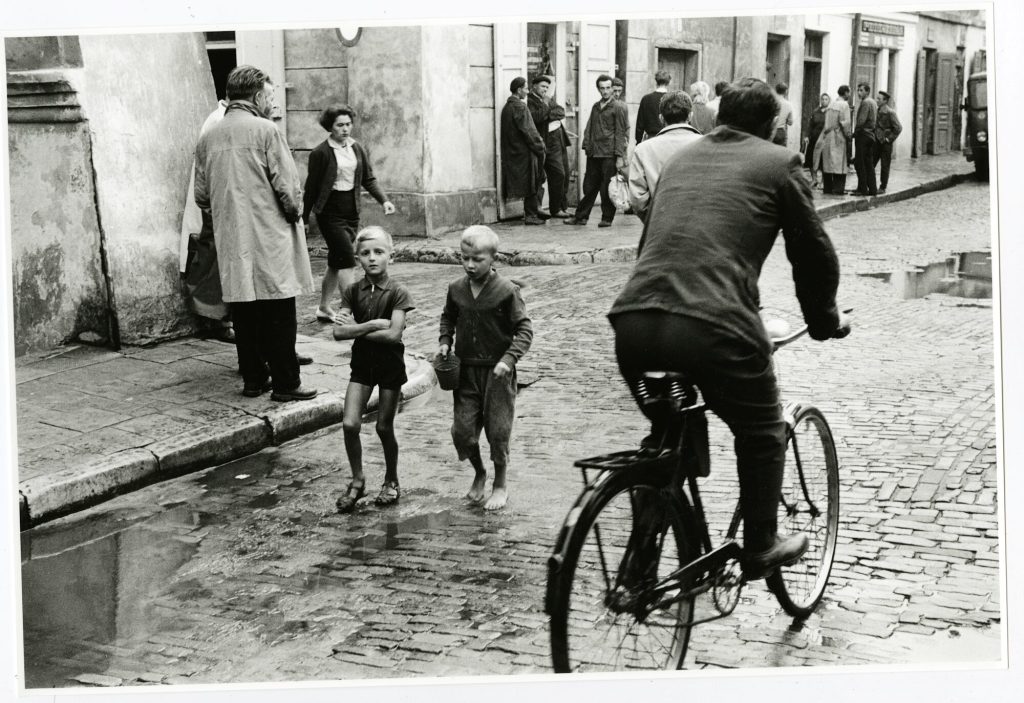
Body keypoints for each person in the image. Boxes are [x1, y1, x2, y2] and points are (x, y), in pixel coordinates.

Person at [608, 77, 849, 578]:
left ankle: (643, 558)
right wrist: (825, 320)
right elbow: (812, 252)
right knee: (762, 431)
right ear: (772, 125)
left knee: (669, 432)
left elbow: (655, 241)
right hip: (712, 326)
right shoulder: (779, 163)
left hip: (634, 321)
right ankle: (760, 544)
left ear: (716, 119)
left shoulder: (680, 159)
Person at [194, 65, 317, 402]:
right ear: (258, 96)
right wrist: (295, 215)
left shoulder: (209, 136)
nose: (272, 103)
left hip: (231, 237)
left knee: (244, 312)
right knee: (279, 312)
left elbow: (202, 196)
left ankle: (253, 380)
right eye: (271, 97)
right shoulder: (266, 131)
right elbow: (288, 189)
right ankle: (286, 383)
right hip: (270, 235)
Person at [439, 226, 533, 511]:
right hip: (465, 372)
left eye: (477, 259)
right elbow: (448, 318)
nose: (469, 265)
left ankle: (500, 484)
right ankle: (479, 471)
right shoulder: (456, 289)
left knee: (498, 431)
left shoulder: (507, 291)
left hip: (497, 374)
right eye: (464, 257)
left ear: (494, 258)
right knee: (463, 432)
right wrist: (445, 342)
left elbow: (524, 330)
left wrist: (509, 359)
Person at [332, 226, 415, 513]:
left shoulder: (398, 293)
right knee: (350, 423)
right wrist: (369, 325)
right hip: (362, 365)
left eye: (379, 252)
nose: (372, 258)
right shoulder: (353, 291)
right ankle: (358, 480)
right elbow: (337, 333)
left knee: (383, 426)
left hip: (390, 367)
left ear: (391, 256)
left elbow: (394, 335)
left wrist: (354, 331)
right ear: (357, 258)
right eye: (365, 253)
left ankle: (391, 479)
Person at [303, 105, 395, 323]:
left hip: (351, 211)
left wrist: (385, 200)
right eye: (339, 125)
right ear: (330, 127)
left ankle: (324, 308)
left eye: (348, 124)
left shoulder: (356, 148)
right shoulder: (320, 153)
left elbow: (368, 178)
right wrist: (304, 218)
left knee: (336, 262)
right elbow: (311, 188)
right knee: (346, 260)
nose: (345, 129)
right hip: (329, 212)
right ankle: (355, 312)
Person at [627, 91, 701, 221]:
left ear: (661, 118)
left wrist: (653, 220)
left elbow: (637, 199)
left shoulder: (643, 149)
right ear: (690, 116)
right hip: (698, 223)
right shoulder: (708, 145)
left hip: (659, 222)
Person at [565, 74, 628, 228]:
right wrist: (587, 146)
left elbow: (621, 132)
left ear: (612, 89)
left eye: (608, 88)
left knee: (607, 188)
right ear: (598, 89)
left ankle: (607, 218)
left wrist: (620, 156)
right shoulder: (595, 106)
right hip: (594, 153)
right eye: (602, 88)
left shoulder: (618, 107)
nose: (605, 91)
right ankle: (581, 216)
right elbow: (590, 127)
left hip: (609, 154)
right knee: (590, 186)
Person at [501, 76, 547, 225]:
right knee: (532, 183)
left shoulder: (507, 107)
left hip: (514, 151)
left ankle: (534, 210)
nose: (527, 92)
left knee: (530, 182)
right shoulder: (520, 107)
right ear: (519, 90)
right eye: (526, 89)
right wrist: (540, 147)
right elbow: (529, 131)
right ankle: (531, 214)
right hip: (525, 152)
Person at [527, 75, 568, 220]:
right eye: (542, 86)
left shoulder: (548, 100)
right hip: (538, 143)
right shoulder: (529, 101)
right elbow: (536, 117)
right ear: (534, 87)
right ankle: (537, 208)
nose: (545, 89)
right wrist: (546, 108)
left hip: (554, 143)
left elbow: (561, 112)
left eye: (546, 87)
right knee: (538, 176)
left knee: (559, 173)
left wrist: (547, 114)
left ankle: (556, 209)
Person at [820, 85, 853, 195]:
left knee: (828, 162)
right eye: (849, 92)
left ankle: (828, 188)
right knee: (839, 163)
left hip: (828, 135)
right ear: (846, 93)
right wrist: (848, 135)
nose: (850, 95)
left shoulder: (831, 104)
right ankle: (838, 189)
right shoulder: (844, 105)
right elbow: (846, 123)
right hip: (838, 135)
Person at [873, 90, 903, 194]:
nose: (877, 100)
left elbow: (898, 128)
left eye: (879, 99)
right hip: (876, 142)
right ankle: (871, 185)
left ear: (885, 101)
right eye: (877, 98)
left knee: (885, 166)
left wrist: (888, 139)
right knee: (871, 163)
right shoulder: (877, 111)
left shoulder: (890, 113)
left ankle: (882, 187)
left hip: (885, 144)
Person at [852, 82, 878, 196]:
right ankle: (872, 188)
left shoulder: (866, 102)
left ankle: (862, 188)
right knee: (868, 164)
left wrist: (854, 133)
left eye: (861, 90)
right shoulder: (873, 102)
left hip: (863, 135)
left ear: (867, 91)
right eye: (858, 90)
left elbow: (861, 121)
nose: (859, 93)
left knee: (860, 163)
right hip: (871, 136)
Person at [635, 70, 671, 143]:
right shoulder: (672, 99)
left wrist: (638, 141)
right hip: (667, 139)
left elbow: (640, 124)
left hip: (651, 139)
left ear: (656, 82)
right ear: (668, 83)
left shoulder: (646, 99)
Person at [804, 93, 830, 187]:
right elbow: (810, 125)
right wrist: (807, 136)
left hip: (824, 140)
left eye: (826, 99)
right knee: (810, 159)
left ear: (829, 101)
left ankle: (822, 181)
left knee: (823, 160)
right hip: (814, 139)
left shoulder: (830, 112)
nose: (824, 101)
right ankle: (814, 179)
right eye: (822, 99)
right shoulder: (816, 111)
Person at [772, 82, 794, 147]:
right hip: (780, 131)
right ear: (786, 92)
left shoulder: (771, 101)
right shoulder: (789, 105)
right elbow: (790, 122)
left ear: (775, 90)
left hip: (770, 130)